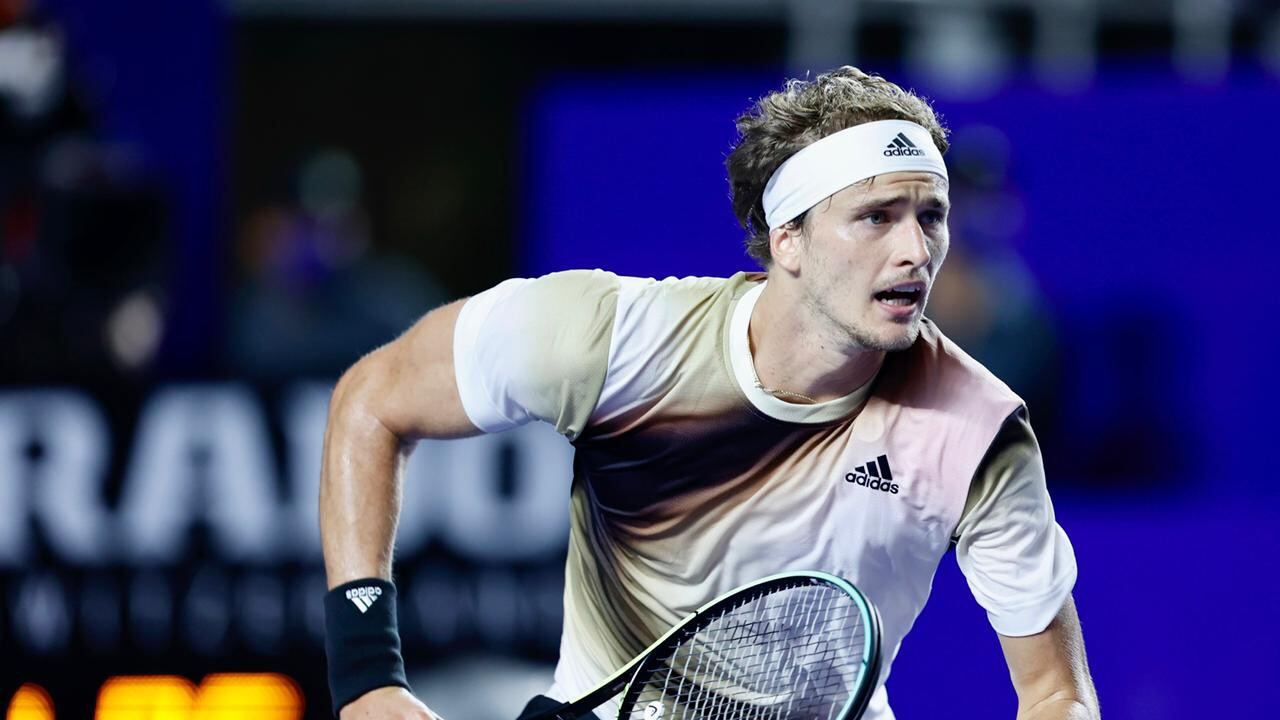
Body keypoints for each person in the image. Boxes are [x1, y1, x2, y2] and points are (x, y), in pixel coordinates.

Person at [319, 66, 1100, 720]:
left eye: (931, 216)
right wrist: (367, 678)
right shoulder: (609, 340)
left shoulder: (977, 430)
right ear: (788, 237)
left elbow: (1055, 692)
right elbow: (371, 402)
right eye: (876, 217)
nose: (916, 250)